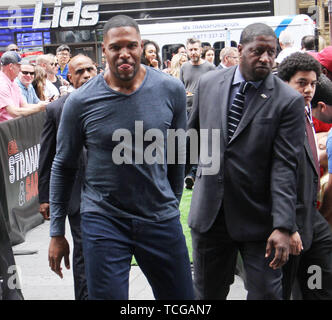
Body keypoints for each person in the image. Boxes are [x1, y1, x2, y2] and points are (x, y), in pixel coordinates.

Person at [48, 14, 194, 300]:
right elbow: (63, 165)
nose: (124, 53)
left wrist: (170, 204)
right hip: (104, 220)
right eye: (116, 47)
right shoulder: (80, 101)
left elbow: (178, 154)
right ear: (104, 50)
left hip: (159, 217)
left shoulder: (170, 89)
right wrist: (56, 231)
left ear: (142, 47)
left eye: (131, 46)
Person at [186, 22, 305, 300]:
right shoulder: (209, 83)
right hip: (210, 217)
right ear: (240, 50)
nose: (266, 58)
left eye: (271, 52)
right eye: (258, 51)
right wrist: (187, 178)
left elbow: (286, 166)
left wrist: (284, 225)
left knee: (267, 294)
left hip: (260, 221)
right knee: (205, 294)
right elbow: (193, 137)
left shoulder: (288, 101)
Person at [39, 54, 97, 300]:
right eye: (79, 71)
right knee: (83, 257)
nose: (85, 75)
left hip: (113, 196)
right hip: (78, 197)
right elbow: (48, 156)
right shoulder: (56, 109)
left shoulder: (116, 101)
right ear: (69, 77)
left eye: (90, 70)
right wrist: (45, 197)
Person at [278, 51, 332, 300]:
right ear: (285, 82)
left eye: (312, 83)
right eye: (302, 83)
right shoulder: (276, 118)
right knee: (281, 287)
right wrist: (287, 225)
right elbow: (278, 176)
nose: (309, 89)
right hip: (287, 217)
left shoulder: (307, 112)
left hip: (310, 217)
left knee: (319, 282)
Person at [180, 37, 215, 190]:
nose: (193, 52)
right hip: (187, 111)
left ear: (201, 50)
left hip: (203, 110)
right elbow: (181, 87)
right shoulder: (184, 67)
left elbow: (215, 89)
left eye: (196, 49)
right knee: (189, 143)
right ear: (187, 51)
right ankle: (189, 174)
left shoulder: (210, 68)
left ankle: (193, 174)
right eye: (191, 49)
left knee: (200, 142)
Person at [0, 51, 46, 122]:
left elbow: (24, 105)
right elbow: (14, 112)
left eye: (31, 73)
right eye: (18, 66)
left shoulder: (13, 82)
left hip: (12, 126)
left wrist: (45, 105)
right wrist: (39, 108)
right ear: (11, 66)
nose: (20, 69)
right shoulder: (2, 84)